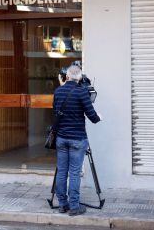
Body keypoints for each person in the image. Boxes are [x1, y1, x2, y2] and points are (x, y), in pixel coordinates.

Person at [53, 65, 101, 216]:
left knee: (62, 171)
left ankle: (62, 204)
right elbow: (93, 117)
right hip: (77, 139)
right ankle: (74, 206)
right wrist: (99, 116)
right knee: (74, 173)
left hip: (61, 138)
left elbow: (55, 112)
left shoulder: (58, 91)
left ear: (67, 76)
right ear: (79, 77)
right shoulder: (81, 92)